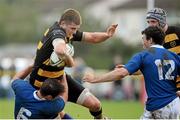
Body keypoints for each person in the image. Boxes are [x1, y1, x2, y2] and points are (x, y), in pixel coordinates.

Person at [29, 8, 117, 119]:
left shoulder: (68, 32)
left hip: (60, 78)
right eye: (73, 28)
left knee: (95, 105)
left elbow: (92, 37)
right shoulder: (57, 32)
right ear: (63, 23)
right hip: (42, 84)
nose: (74, 32)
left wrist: (107, 35)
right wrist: (67, 56)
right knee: (56, 115)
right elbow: (59, 48)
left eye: (76, 29)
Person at [83, 26, 180, 119]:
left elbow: (121, 73)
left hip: (158, 105)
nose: (142, 43)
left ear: (150, 40)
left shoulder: (144, 55)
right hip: (174, 104)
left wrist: (95, 79)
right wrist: (130, 69)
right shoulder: (174, 56)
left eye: (143, 39)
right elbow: (154, 68)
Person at [146, 8, 180, 95]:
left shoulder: (177, 33)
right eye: (148, 22)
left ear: (161, 21)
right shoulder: (151, 40)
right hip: (167, 89)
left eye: (153, 21)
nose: (150, 25)